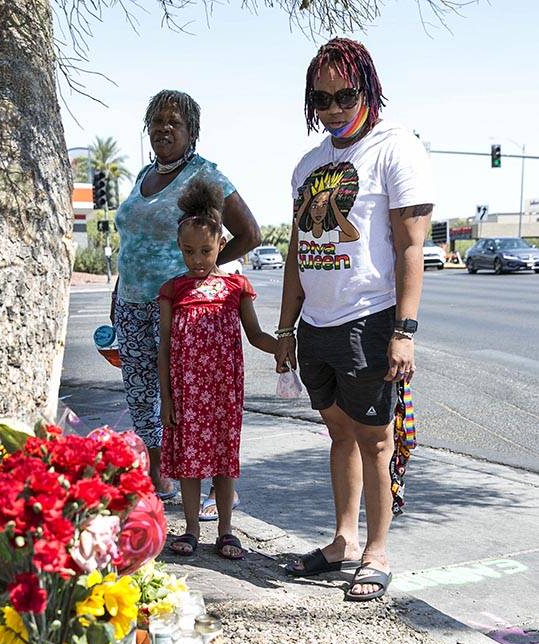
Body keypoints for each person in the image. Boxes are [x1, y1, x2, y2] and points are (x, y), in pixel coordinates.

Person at [275, 38, 433, 600]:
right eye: (322, 98)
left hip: (369, 319)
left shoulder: (397, 149)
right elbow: (297, 252)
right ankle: (342, 541)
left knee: (376, 440)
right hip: (316, 326)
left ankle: (376, 551)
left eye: (346, 94)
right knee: (338, 433)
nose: (335, 107)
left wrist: (404, 332)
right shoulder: (308, 165)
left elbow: (411, 246)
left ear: (368, 87)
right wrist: (287, 329)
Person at [113, 90, 260, 501]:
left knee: (189, 399)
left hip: (181, 309)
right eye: (156, 121)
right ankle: (161, 481)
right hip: (131, 304)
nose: (163, 128)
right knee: (142, 393)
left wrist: (202, 276)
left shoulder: (204, 175)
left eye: (174, 122)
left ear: (191, 131)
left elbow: (250, 233)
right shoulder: (143, 175)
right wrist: (116, 291)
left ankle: (213, 490)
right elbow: (132, 241)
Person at [158, 179, 277, 559]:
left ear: (221, 247)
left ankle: (226, 531)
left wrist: (284, 348)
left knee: (224, 461)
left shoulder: (235, 287)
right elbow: (164, 347)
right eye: (188, 251)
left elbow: (256, 334)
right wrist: (166, 398)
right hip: (186, 395)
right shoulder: (172, 290)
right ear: (179, 249)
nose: (196, 259)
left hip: (224, 392)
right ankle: (191, 529)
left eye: (205, 251)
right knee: (190, 463)